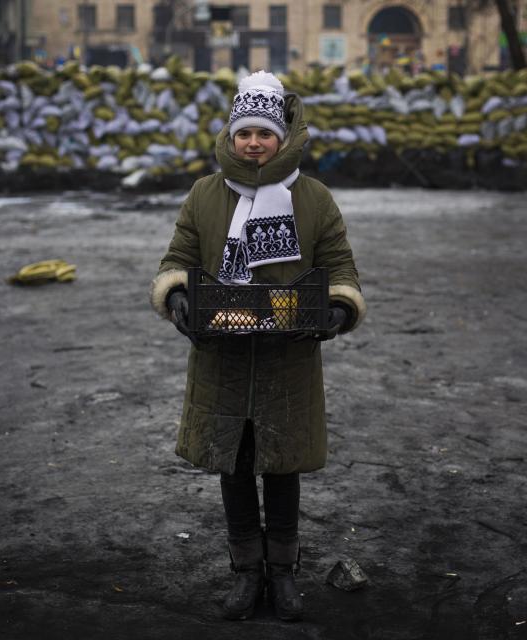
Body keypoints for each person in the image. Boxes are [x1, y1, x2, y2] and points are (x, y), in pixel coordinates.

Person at [149, 70, 366, 621]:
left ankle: (284, 574)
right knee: (236, 464)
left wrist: (337, 307)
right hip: (221, 354)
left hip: (287, 356)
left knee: (283, 464)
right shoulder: (204, 194)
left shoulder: (312, 198)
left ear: (282, 138)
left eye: (263, 134)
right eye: (243, 133)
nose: (252, 143)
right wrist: (178, 299)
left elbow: (339, 266)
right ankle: (246, 573)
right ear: (231, 135)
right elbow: (178, 259)